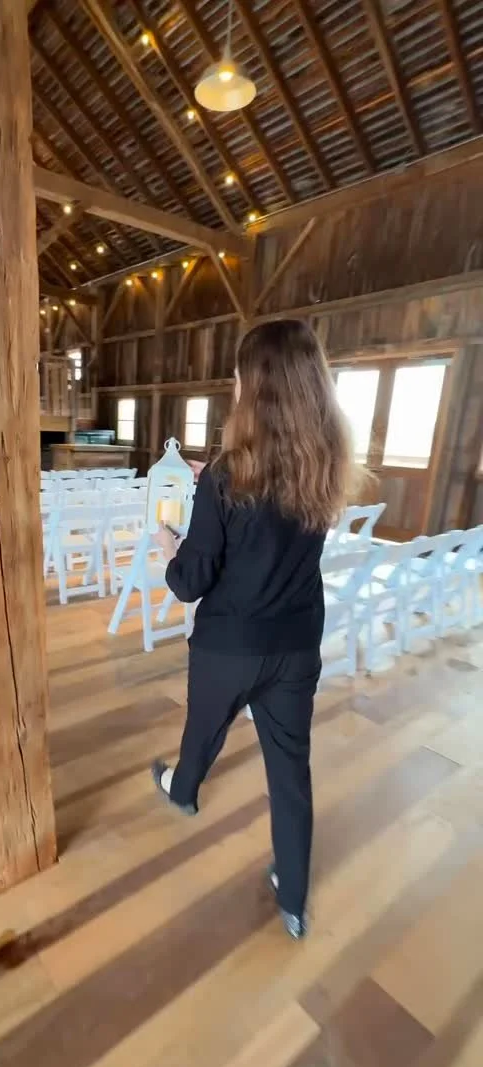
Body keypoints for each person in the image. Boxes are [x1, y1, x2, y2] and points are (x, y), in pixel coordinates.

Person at [152, 318, 355, 940]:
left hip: (230, 645)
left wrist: (170, 547)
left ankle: (182, 790)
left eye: (240, 377)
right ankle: (292, 896)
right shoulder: (325, 464)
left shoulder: (225, 475)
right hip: (296, 644)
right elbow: (274, 534)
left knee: (203, 728)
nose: (235, 386)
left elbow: (191, 582)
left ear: (256, 388)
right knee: (291, 771)